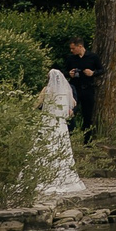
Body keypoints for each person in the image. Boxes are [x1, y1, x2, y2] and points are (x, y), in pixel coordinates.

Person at [37, 70, 87, 198]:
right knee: (61, 146)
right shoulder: (67, 90)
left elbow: (38, 105)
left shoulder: (46, 90)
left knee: (46, 146)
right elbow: (74, 104)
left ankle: (43, 174)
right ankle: (63, 175)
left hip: (48, 121)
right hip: (61, 123)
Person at [64, 40, 99, 128]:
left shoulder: (93, 57)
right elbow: (63, 71)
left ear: (80, 46)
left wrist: (93, 73)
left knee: (88, 115)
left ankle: (87, 139)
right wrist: (69, 74)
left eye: (73, 48)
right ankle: (70, 133)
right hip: (74, 89)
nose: (71, 51)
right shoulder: (70, 58)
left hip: (88, 89)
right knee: (70, 112)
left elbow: (101, 70)